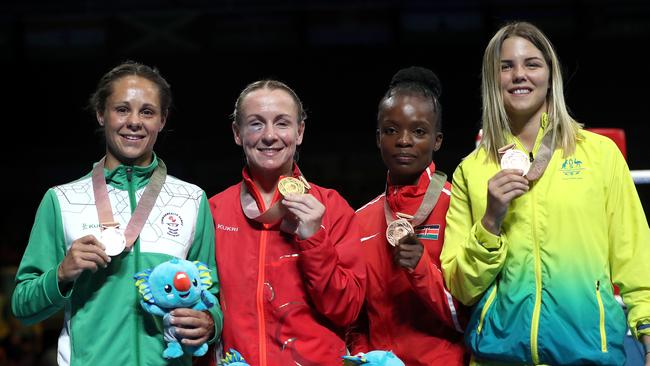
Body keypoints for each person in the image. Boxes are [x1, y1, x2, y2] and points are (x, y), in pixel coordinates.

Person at [440, 21, 650, 365]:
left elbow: (637, 260)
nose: (519, 74)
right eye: (506, 66)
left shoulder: (598, 154)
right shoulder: (472, 170)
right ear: (493, 80)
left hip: (588, 356)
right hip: (498, 357)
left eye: (532, 64)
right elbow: (462, 287)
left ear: (550, 75)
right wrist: (491, 221)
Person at [11, 61, 223, 366]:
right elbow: (22, 306)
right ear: (101, 114)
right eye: (122, 109)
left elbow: (210, 294)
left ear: (162, 120)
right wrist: (61, 274)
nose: (134, 121)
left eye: (147, 112)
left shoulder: (191, 199)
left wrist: (210, 322)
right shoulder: (62, 200)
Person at [209, 79, 366, 366]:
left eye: (282, 123)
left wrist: (314, 239)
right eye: (256, 124)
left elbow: (347, 310)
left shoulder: (332, 207)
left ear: (300, 131)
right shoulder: (214, 211)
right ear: (237, 133)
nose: (269, 136)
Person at [348, 66, 467, 365]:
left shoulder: (459, 208)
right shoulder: (358, 220)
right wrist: (365, 356)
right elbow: (355, 320)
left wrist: (420, 269)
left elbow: (473, 320)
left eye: (418, 131)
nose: (404, 140)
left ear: (437, 140)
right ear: (378, 138)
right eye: (391, 130)